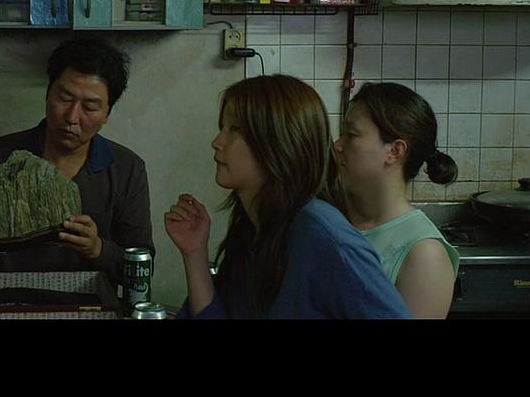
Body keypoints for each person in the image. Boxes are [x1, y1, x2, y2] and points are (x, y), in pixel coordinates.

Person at [165, 75, 411, 318]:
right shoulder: (253, 229)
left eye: (235, 129)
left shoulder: (321, 234)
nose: (217, 142)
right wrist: (194, 253)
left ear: (278, 141)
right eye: (222, 128)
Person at [0, 37, 153, 286]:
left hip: (88, 302)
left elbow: (142, 269)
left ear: (107, 114)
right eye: (64, 99)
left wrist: (98, 249)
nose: (72, 117)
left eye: (90, 107)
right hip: (5, 299)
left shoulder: (127, 169)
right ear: (48, 94)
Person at [333, 82, 459, 318]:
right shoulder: (331, 218)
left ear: (395, 151)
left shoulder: (424, 255)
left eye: (351, 135)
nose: (337, 145)